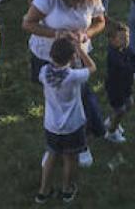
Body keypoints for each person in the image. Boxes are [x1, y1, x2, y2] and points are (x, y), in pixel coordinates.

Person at [39, 34, 96, 202]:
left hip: (51, 125)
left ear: (52, 55)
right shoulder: (73, 76)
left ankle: (43, 191)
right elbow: (92, 67)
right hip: (72, 125)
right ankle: (66, 189)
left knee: (51, 155)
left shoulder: (44, 72)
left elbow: (52, 67)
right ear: (73, 57)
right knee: (70, 159)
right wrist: (80, 49)